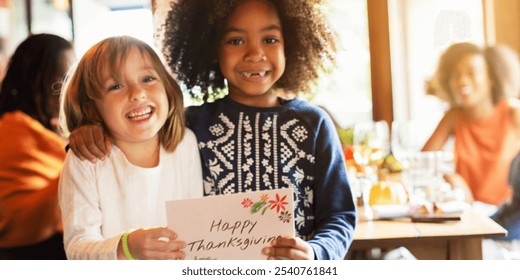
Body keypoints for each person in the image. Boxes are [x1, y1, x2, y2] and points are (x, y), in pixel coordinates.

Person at [67, 0, 356, 260]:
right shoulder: (190, 124)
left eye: (270, 39)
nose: (255, 53)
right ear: (210, 46)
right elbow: (135, 129)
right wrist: (90, 128)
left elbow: (339, 215)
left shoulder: (314, 124)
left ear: (290, 43)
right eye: (235, 40)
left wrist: (317, 253)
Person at [58, 36, 203, 260]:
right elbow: (77, 248)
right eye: (116, 86)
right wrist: (125, 247)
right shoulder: (85, 160)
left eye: (148, 78)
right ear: (93, 109)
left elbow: (195, 230)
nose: (137, 93)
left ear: (167, 87)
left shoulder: (184, 144)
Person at [0, 33, 75, 259]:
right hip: (29, 249)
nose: (69, 91)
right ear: (36, 80)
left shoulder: (46, 129)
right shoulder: (14, 129)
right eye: (63, 80)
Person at [423, 42, 520, 206]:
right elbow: (422, 162)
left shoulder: (513, 112)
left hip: (510, 214)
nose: (462, 80)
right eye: (455, 75)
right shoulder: (454, 116)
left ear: (491, 78)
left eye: (471, 72)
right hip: (471, 213)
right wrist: (452, 177)